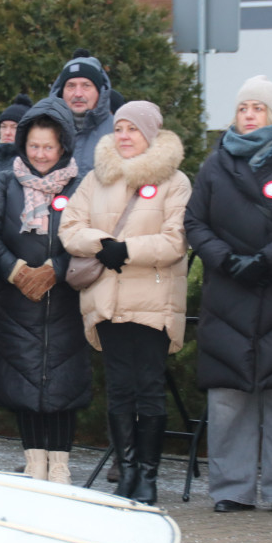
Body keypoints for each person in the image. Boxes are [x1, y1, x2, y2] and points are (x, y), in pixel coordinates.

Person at [184, 76, 272, 516]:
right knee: (229, 398)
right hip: (229, 298)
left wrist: (267, 260)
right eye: (244, 107)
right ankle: (232, 488)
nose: (249, 114)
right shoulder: (214, 167)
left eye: (258, 108)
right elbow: (195, 223)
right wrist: (225, 259)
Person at [60, 101, 190, 503]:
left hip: (153, 301)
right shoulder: (96, 178)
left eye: (133, 129)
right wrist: (104, 245)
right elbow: (69, 228)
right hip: (107, 301)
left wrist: (127, 250)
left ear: (150, 133)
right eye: (119, 128)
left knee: (149, 388)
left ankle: (148, 476)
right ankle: (128, 469)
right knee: (119, 389)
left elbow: (175, 240)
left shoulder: (175, 181)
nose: (124, 136)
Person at [0, 97, 89, 484]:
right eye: (33, 146)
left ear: (62, 146)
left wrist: (56, 269)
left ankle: (60, 463)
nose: (40, 154)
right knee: (24, 381)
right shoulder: (4, 182)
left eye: (48, 146)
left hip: (65, 300)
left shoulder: (82, 184)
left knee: (64, 382)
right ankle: (34, 460)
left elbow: (89, 236)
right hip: (16, 301)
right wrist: (14, 270)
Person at [48, 48, 114, 177]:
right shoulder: (44, 128)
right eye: (71, 86)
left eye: (86, 85)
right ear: (61, 92)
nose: (78, 94)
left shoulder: (119, 131)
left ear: (100, 91)